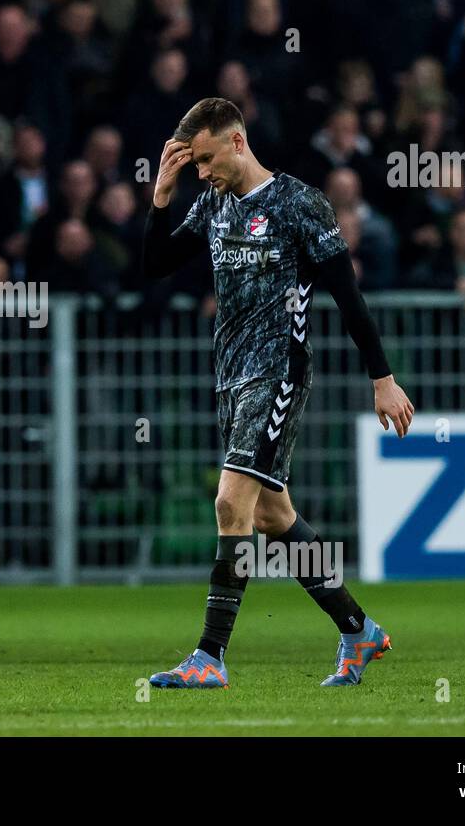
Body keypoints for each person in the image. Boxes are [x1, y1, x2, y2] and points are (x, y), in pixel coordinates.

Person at [140, 97, 415, 689]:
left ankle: (209, 657)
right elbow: (156, 264)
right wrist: (162, 197)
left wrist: (382, 378)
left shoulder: (299, 204)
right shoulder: (212, 203)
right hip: (230, 375)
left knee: (228, 503)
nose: (203, 173)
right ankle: (359, 630)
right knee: (271, 514)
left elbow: (347, 294)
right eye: (195, 166)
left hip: (279, 371)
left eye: (208, 160)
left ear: (237, 142)